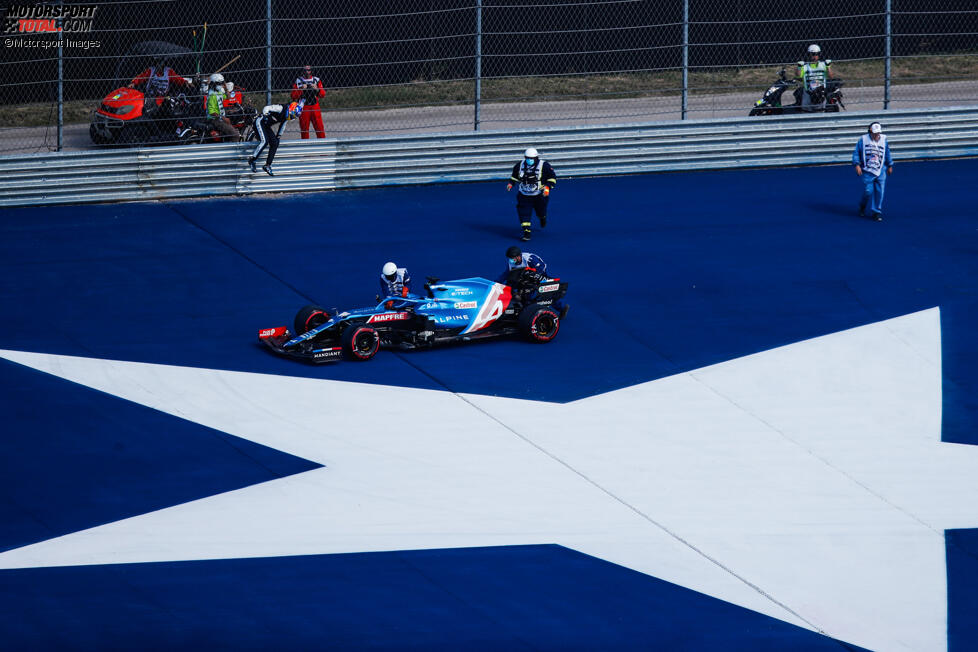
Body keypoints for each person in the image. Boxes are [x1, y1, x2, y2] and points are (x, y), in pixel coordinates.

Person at [498, 245, 568, 318]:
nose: (511, 261)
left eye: (513, 259)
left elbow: (542, 268)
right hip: (523, 278)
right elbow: (506, 274)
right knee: (513, 288)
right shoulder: (511, 263)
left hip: (539, 276)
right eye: (510, 259)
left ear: (518, 257)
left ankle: (562, 308)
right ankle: (522, 312)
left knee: (546, 294)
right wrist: (497, 282)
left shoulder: (530, 259)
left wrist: (532, 277)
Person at [507, 147, 557, 242]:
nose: (529, 160)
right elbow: (514, 176)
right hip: (524, 194)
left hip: (539, 195)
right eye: (527, 158)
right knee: (523, 213)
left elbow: (552, 178)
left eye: (532, 158)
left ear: (536, 158)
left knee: (541, 211)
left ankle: (542, 217)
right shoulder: (519, 165)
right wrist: (511, 184)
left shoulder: (544, 165)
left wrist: (547, 187)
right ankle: (527, 232)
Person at [852, 122, 894, 222]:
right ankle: (862, 206)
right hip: (867, 171)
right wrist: (857, 164)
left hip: (881, 170)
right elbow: (856, 152)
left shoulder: (884, 139)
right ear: (870, 131)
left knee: (880, 191)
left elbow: (887, 152)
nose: (877, 135)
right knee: (868, 191)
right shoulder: (863, 139)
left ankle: (877, 211)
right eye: (875, 133)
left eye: (878, 133)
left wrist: (890, 165)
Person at [248, 101, 302, 176]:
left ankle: (267, 165)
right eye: (293, 115)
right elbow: (266, 108)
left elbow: (282, 126)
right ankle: (252, 160)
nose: (292, 117)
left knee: (275, 143)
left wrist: (278, 136)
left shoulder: (286, 117)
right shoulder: (281, 108)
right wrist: (265, 116)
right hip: (259, 122)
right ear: (291, 109)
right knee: (265, 141)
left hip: (266, 126)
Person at [291, 65, 326, 139]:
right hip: (304, 107)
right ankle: (305, 145)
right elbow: (293, 96)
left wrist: (317, 89)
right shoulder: (299, 81)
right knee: (304, 129)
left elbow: (322, 95)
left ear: (311, 71)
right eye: (306, 70)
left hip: (315, 106)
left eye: (309, 70)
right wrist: (301, 89)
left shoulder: (316, 80)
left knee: (319, 128)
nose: (307, 72)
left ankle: (322, 143)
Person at [797, 44, 834, 112]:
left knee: (820, 111)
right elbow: (798, 75)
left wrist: (828, 67)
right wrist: (799, 67)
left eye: (817, 54)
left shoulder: (823, 65)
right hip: (808, 93)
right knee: (805, 112)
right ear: (809, 55)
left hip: (820, 93)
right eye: (813, 54)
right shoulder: (805, 66)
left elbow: (831, 76)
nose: (815, 56)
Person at [205, 73, 240, 143]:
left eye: (221, 83)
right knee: (235, 135)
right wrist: (223, 118)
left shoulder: (218, 92)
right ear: (213, 84)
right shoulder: (212, 95)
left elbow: (228, 97)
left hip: (220, 117)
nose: (220, 85)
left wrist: (225, 88)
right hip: (215, 119)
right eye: (218, 83)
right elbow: (211, 112)